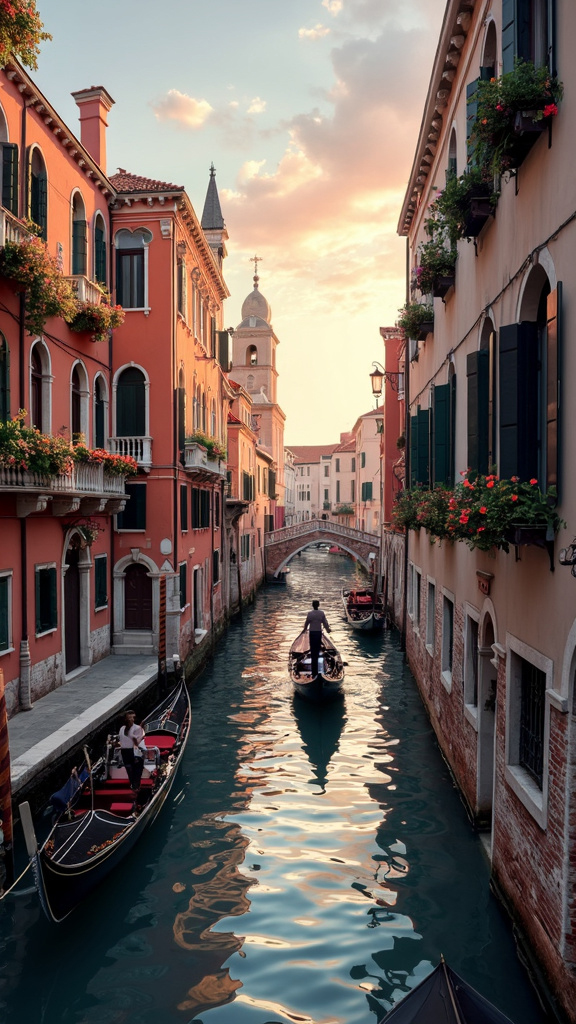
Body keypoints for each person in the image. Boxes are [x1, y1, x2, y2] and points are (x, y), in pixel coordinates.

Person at [303, 599, 331, 678]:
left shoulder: (310, 614)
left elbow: (306, 623)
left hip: (312, 633)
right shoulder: (321, 613)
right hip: (318, 633)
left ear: (312, 605)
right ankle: (316, 671)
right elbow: (325, 623)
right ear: (318, 605)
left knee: (313, 651)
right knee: (317, 650)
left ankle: (314, 672)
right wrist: (328, 630)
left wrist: (304, 630)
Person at [118, 711, 146, 791]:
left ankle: (133, 785)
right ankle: (136, 787)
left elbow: (123, 739)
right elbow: (137, 742)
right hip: (132, 752)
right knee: (137, 770)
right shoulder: (137, 728)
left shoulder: (122, 728)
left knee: (130, 770)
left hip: (124, 752)